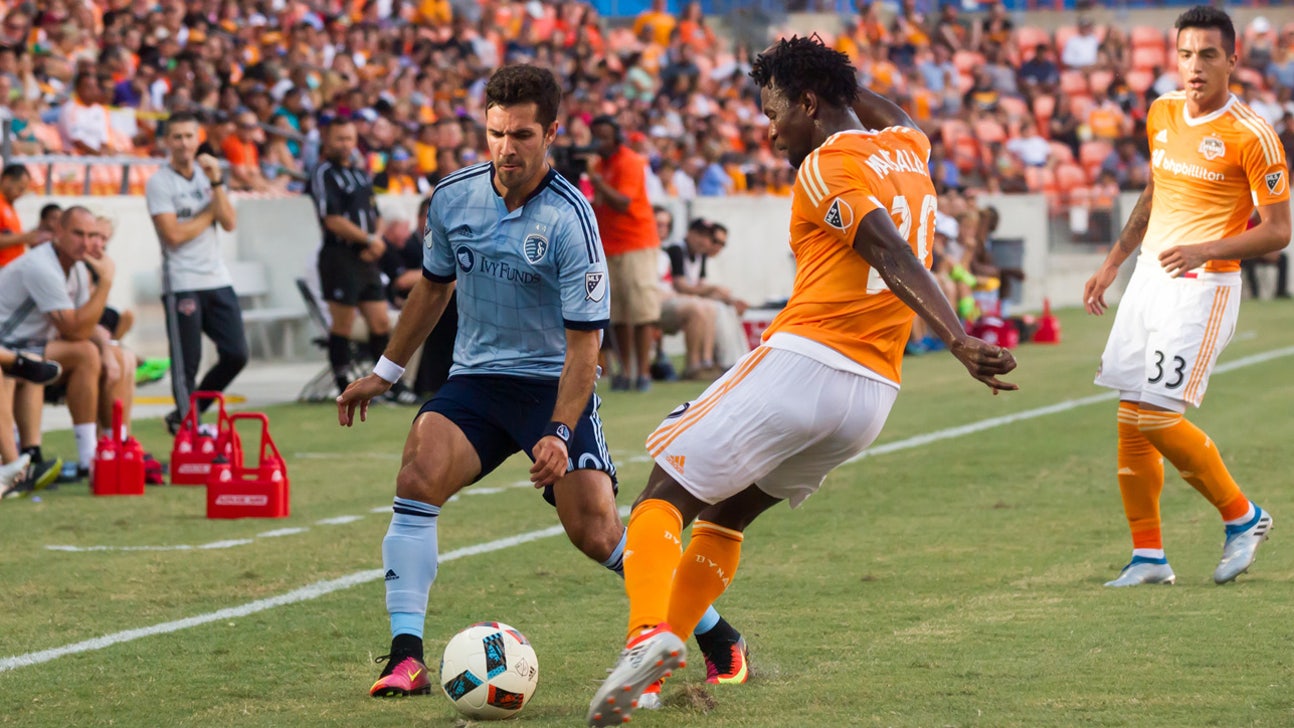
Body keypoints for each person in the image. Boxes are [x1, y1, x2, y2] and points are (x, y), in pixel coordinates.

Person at [588, 37, 1017, 727]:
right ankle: (649, 673)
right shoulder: (911, 149)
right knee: (727, 515)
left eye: (775, 109)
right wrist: (831, 72)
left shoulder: (825, 164)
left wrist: (958, 336)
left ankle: (646, 635)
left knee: (661, 494)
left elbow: (887, 247)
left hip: (809, 360)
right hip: (872, 396)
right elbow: (893, 112)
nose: (769, 128)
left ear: (809, 104)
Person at [335, 64, 746, 705]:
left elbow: (586, 347)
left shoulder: (573, 221)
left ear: (551, 133)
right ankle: (406, 657)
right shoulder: (451, 199)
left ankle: (719, 635)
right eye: (496, 132)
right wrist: (384, 373)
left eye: (522, 134)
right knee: (416, 479)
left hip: (552, 387)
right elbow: (434, 287)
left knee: (598, 533)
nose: (506, 148)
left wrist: (558, 432)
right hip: (475, 380)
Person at [1083, 6, 1289, 588]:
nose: (1193, 67)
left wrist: (1205, 248)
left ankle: (1243, 516)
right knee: (1129, 417)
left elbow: (1278, 231)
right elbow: (1154, 190)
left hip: (1204, 286)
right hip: (1149, 277)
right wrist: (1113, 262)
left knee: (1156, 416)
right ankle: (1149, 557)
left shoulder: (1254, 136)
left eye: (1207, 55)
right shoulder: (1162, 111)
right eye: (1184, 54)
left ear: (1232, 59)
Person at [145, 110, 248, 433]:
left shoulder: (208, 176)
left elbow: (230, 222)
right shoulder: (159, 182)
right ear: (166, 141)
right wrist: (209, 214)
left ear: (198, 138)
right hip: (182, 281)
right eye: (176, 137)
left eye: (189, 136)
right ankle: (190, 430)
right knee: (186, 363)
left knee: (236, 354)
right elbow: (173, 235)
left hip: (216, 277)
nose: (184, 143)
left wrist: (216, 181)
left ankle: (188, 412)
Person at [0, 207, 114, 485]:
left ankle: (110, 447)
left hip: (32, 345)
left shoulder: (74, 268)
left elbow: (86, 327)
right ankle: (26, 464)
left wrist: (109, 351)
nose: (86, 243)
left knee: (116, 358)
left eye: (91, 235)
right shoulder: (41, 265)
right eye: (78, 234)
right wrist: (106, 283)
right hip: (7, 342)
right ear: (58, 233)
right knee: (84, 353)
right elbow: (75, 330)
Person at [307, 116, 414, 403]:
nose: (345, 145)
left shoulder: (359, 172)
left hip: (366, 256)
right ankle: (343, 384)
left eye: (350, 139)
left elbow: (374, 213)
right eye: (339, 139)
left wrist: (376, 239)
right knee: (342, 324)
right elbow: (331, 219)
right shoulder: (323, 173)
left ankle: (387, 385)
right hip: (340, 256)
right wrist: (367, 239)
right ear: (327, 141)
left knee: (380, 323)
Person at [588, 115, 661, 392]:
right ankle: (626, 371)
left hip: (636, 242)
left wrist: (596, 181)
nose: (600, 142)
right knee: (617, 314)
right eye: (596, 136)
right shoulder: (600, 164)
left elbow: (622, 202)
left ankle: (643, 373)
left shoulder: (629, 161)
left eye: (605, 136)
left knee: (641, 311)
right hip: (609, 244)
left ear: (617, 137)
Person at [0, 164, 53, 268]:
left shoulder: (8, 205)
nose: (20, 194)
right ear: (7, 179)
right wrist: (25, 237)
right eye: (20, 188)